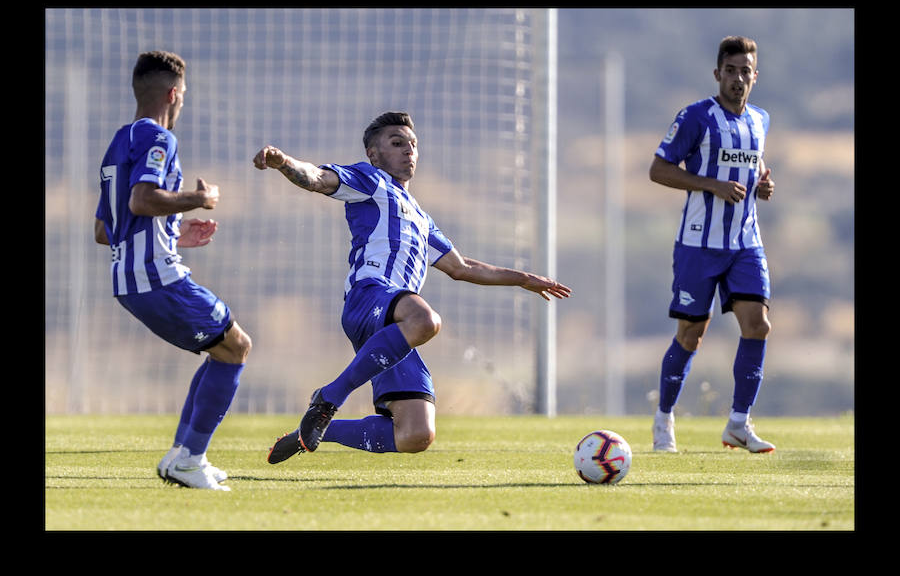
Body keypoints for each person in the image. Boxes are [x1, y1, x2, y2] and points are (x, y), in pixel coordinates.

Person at [253, 111, 571, 462]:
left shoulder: (421, 218)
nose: (409, 150)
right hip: (370, 295)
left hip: (394, 325)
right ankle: (329, 398)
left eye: (413, 144)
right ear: (375, 154)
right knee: (426, 321)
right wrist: (284, 163)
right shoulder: (369, 178)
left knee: (416, 434)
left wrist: (524, 279)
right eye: (397, 143)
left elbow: (462, 267)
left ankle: (310, 431)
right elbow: (316, 177)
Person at [94, 51, 252, 490]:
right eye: (183, 97)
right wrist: (198, 199)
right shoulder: (160, 139)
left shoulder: (117, 142)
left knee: (224, 348)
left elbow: (105, 230)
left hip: (128, 280)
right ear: (173, 93)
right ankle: (189, 457)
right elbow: (142, 201)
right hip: (155, 277)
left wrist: (175, 231)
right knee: (236, 346)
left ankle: (182, 457)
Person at [649, 36, 776, 454]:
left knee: (757, 325)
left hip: (745, 243)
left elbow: (753, 164)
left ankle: (739, 422)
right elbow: (658, 170)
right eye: (731, 70)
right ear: (718, 73)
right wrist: (711, 186)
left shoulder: (760, 120)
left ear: (755, 77)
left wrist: (762, 183)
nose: (738, 78)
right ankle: (664, 419)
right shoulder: (696, 117)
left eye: (746, 71)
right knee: (690, 334)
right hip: (698, 245)